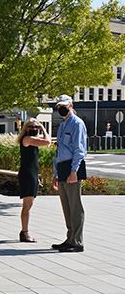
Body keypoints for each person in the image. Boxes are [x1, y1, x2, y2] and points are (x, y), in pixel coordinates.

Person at [51, 94, 87, 253]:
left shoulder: (77, 124)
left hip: (73, 168)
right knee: (66, 207)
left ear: (71, 105)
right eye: (59, 106)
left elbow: (80, 150)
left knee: (75, 207)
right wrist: (55, 173)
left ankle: (77, 242)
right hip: (62, 168)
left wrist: (74, 171)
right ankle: (70, 238)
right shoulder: (62, 125)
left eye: (64, 106)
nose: (61, 109)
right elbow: (58, 151)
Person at [16, 118, 51, 242]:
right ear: (26, 128)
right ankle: (25, 233)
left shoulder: (31, 140)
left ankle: (24, 232)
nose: (34, 129)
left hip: (32, 174)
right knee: (27, 205)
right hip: (27, 175)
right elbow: (47, 142)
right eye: (31, 126)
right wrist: (43, 128)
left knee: (29, 204)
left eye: (36, 127)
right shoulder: (27, 139)